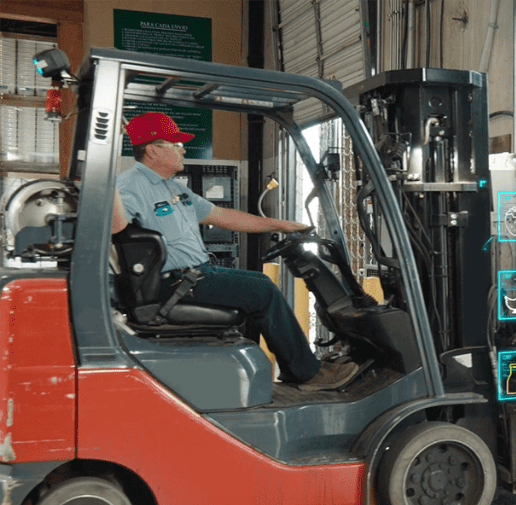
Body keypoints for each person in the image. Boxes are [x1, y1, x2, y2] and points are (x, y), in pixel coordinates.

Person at [111, 111, 356, 392]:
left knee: (259, 284)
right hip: (172, 284)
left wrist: (282, 225)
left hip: (196, 275)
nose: (183, 149)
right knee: (262, 291)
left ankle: (298, 368)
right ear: (153, 151)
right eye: (175, 144)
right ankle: (306, 374)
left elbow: (222, 215)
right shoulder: (126, 188)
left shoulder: (172, 188)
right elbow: (114, 231)